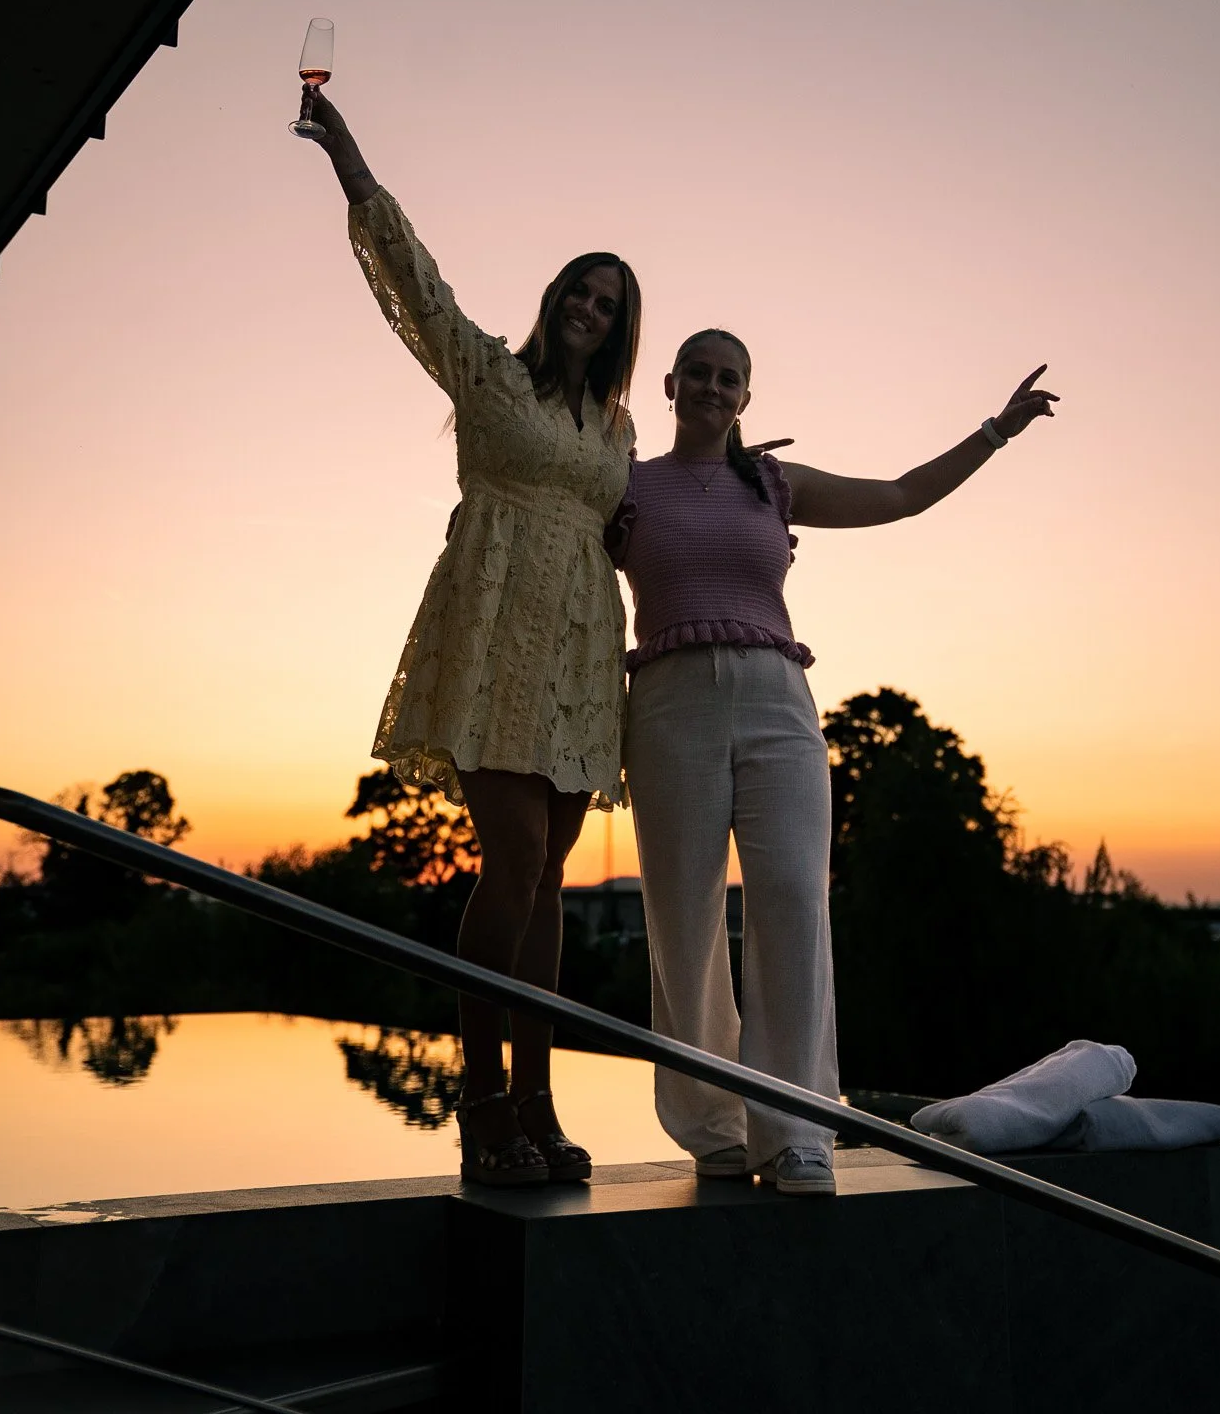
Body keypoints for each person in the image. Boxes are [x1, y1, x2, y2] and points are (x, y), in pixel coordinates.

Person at [609, 329, 1057, 1195]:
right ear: (668, 384)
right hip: (667, 705)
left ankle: (795, 1133)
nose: (710, 386)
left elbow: (899, 496)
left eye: (728, 378)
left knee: (790, 904)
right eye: (696, 372)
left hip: (778, 699)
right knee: (682, 914)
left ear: (746, 397)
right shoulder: (624, 485)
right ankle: (713, 1127)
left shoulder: (774, 483)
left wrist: (995, 431)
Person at [305, 93, 640, 1186]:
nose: (591, 308)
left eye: (610, 302)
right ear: (555, 297)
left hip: (583, 653)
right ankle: (480, 1091)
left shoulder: (620, 429)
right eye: (582, 291)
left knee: (551, 887)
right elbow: (414, 276)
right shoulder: (490, 371)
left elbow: (645, 511)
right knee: (518, 860)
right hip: (497, 631)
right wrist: (347, 153)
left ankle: (539, 1096)